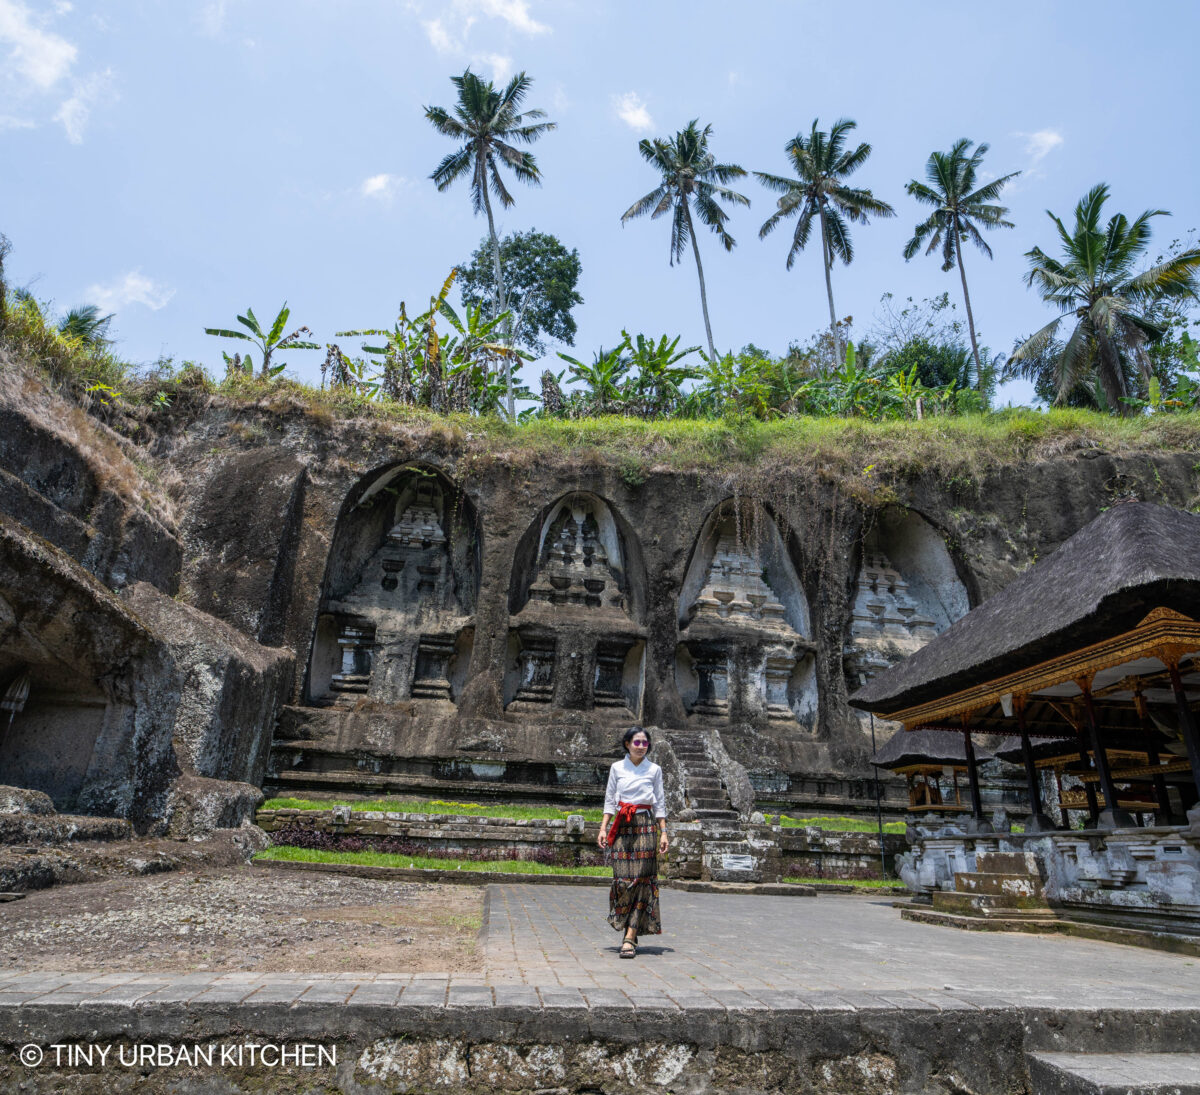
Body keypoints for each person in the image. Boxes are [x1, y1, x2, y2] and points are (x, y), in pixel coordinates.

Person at [597, 726, 668, 958]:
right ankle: (627, 925)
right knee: (622, 879)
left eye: (645, 743)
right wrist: (603, 828)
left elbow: (659, 803)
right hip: (622, 826)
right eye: (636, 742)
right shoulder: (617, 768)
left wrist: (664, 832)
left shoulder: (654, 769)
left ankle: (629, 936)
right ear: (627, 744)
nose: (641, 746)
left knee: (642, 880)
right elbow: (610, 799)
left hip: (645, 826)